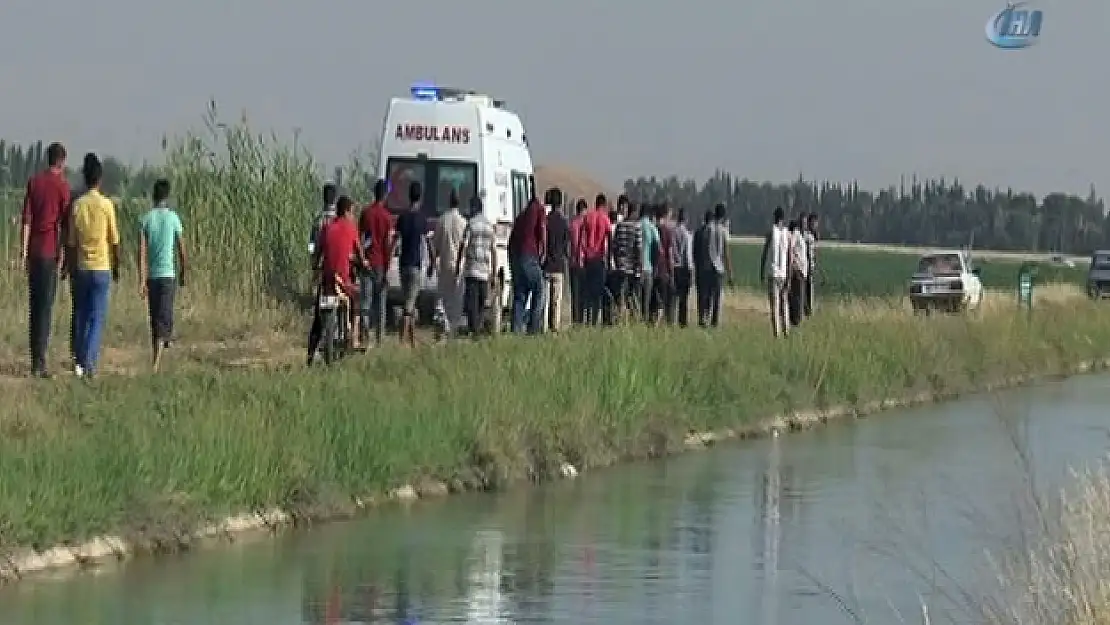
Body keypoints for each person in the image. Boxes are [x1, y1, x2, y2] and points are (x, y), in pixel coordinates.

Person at [19, 142, 69, 378]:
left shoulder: (34, 182)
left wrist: (23, 252)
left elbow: (26, 220)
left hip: (34, 251)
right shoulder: (62, 186)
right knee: (45, 308)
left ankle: (34, 358)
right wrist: (64, 255)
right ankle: (40, 362)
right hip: (50, 251)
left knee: (34, 306)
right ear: (61, 161)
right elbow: (64, 224)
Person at [68, 158, 119, 379]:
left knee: (81, 314)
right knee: (97, 317)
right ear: (100, 179)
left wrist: (69, 267)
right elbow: (114, 240)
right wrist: (117, 265)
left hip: (81, 267)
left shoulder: (77, 205)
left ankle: (79, 359)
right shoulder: (106, 205)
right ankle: (88, 363)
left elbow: (71, 242)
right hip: (101, 267)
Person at [307, 196, 368, 364]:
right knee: (357, 301)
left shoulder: (326, 227)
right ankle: (352, 336)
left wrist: (316, 267)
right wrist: (364, 264)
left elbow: (317, 253)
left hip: (327, 279)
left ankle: (311, 354)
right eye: (352, 212)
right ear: (347, 211)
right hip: (344, 281)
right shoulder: (351, 229)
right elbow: (361, 256)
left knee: (318, 319)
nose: (353, 216)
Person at [138, 178, 187, 372]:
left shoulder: (146, 219)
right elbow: (182, 249)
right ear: (167, 196)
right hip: (167, 275)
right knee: (163, 315)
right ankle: (157, 360)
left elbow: (141, 253)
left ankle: (160, 346)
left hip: (153, 276)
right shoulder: (173, 218)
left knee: (155, 317)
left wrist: (142, 280)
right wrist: (184, 270)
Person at [62, 152, 101, 371]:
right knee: (94, 313)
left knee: (78, 310)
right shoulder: (101, 201)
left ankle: (77, 354)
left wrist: (67, 262)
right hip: (96, 263)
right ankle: (87, 357)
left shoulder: (74, 199)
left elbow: (69, 236)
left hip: (77, 262)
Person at [393, 181, 430, 348]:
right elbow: (427, 242)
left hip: (403, 264)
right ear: (420, 197)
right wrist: (433, 263)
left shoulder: (402, 217)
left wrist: (390, 259)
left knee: (409, 301)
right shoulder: (421, 219)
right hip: (416, 265)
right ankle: (401, 341)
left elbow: (396, 240)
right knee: (409, 305)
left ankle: (413, 341)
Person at [456, 196, 498, 337]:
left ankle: (474, 330)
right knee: (481, 302)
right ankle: (477, 328)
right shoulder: (489, 226)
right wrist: (493, 272)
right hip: (484, 271)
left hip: (472, 269)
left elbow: (464, 246)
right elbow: (493, 251)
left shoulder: (471, 224)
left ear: (474, 208)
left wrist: (458, 265)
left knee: (471, 302)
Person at [358, 179, 392, 347]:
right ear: (385, 195)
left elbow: (360, 239)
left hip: (366, 263)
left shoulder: (366, 213)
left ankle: (365, 337)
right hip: (380, 264)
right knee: (381, 302)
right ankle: (380, 338)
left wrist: (361, 258)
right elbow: (388, 245)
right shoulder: (387, 217)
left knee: (365, 302)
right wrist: (387, 268)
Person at [431, 189, 468, 339]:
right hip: (458, 266)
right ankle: (452, 328)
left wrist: (432, 264)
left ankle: (443, 325)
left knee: (444, 297)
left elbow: (436, 246)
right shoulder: (463, 223)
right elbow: (465, 247)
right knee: (456, 300)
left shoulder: (442, 220)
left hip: (444, 264)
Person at [508, 194, 546, 335]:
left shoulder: (521, 216)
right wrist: (544, 252)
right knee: (539, 288)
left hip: (516, 258)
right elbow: (542, 230)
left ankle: (516, 330)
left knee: (520, 295)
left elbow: (511, 241)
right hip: (529, 256)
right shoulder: (538, 209)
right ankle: (534, 328)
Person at [579, 194, 612, 325]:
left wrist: (582, 254)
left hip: (588, 258)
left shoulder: (588, 217)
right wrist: (609, 258)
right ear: (603, 205)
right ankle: (594, 321)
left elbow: (582, 238)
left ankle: (586, 320)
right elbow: (610, 237)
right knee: (597, 293)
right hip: (599, 259)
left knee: (587, 291)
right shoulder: (605, 218)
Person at [608, 201, 643, 324]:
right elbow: (638, 249)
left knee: (620, 297)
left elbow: (614, 247)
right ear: (635, 212)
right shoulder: (637, 227)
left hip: (620, 267)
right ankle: (632, 321)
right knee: (632, 297)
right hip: (632, 269)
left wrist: (617, 263)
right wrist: (638, 267)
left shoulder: (620, 226)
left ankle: (619, 320)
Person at [699, 203, 733, 327]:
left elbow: (704, 247)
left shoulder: (708, 228)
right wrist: (730, 272)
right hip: (719, 268)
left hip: (708, 266)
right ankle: (715, 322)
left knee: (707, 295)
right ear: (723, 216)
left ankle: (705, 318)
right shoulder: (724, 231)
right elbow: (726, 253)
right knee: (717, 297)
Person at [542, 187, 570, 333]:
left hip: (546, 264)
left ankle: (544, 326)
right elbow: (566, 245)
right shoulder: (564, 222)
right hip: (559, 265)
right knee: (556, 300)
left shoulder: (546, 221)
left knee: (545, 299)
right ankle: (555, 327)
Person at [760, 207, 790, 337]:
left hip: (773, 273)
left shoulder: (771, 232)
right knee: (784, 304)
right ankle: (786, 330)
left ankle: (776, 333)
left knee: (775, 305)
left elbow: (765, 252)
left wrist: (761, 270)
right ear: (783, 218)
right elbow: (789, 256)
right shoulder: (787, 234)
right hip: (783, 273)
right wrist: (788, 274)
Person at [654, 203, 677, 325]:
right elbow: (670, 253)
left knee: (655, 301)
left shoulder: (653, 228)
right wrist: (672, 273)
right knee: (665, 301)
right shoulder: (667, 231)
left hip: (653, 270)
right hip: (664, 270)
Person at [638, 203, 661, 323]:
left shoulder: (636, 225)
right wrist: (655, 265)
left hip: (635, 269)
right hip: (648, 268)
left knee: (636, 301)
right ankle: (644, 322)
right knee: (646, 302)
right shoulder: (652, 228)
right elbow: (657, 248)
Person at [672, 208, 694, 327]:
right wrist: (691, 271)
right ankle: (682, 322)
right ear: (685, 219)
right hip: (684, 268)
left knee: (674, 297)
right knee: (683, 299)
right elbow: (687, 255)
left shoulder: (673, 232)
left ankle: (672, 319)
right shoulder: (687, 234)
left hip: (674, 267)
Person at [568, 198, 588, 325]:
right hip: (584, 262)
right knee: (583, 294)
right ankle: (581, 319)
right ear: (584, 210)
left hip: (572, 263)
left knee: (574, 294)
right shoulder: (585, 224)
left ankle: (575, 319)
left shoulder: (571, 224)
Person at [787, 218, 808, 327]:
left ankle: (796, 320)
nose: (805, 225)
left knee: (799, 297)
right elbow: (791, 247)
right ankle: (796, 321)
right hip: (797, 270)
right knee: (797, 297)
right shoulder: (795, 234)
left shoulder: (802, 236)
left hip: (801, 270)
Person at [308, 182, 338, 256]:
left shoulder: (318, 218)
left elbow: (312, 240)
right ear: (335, 197)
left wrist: (310, 254)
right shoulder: (339, 217)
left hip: (320, 257)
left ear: (323, 197)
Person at [805, 212, 819, 316]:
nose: (816, 225)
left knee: (810, 289)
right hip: (807, 267)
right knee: (808, 290)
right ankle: (809, 310)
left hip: (811, 266)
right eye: (814, 223)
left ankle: (809, 309)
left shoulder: (813, 236)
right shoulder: (807, 236)